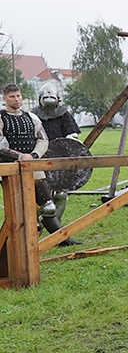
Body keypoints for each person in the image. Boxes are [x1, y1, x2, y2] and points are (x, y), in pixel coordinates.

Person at [0, 83, 79, 246]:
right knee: (18, 210)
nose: (16, 99)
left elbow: (43, 139)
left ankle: (60, 239)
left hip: (33, 166)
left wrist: (34, 155)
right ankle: (17, 243)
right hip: (10, 169)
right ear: (4, 98)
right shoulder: (1, 118)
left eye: (18, 96)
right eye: (12, 96)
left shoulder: (31, 117)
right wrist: (20, 156)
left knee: (48, 207)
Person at [33, 83, 83, 244]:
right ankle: (36, 226)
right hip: (40, 158)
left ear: (58, 98)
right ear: (40, 99)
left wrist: (71, 139)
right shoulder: (33, 116)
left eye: (51, 96)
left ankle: (57, 233)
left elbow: (71, 133)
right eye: (45, 97)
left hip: (60, 158)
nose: (48, 99)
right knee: (40, 198)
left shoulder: (64, 115)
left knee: (60, 196)